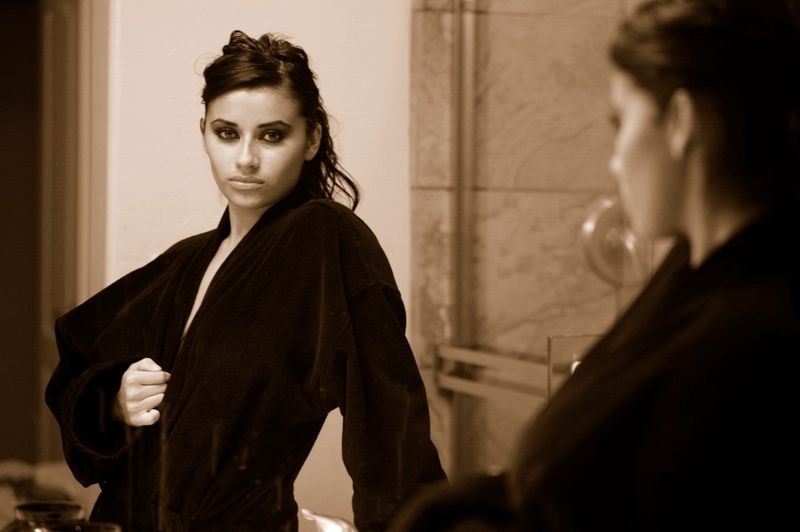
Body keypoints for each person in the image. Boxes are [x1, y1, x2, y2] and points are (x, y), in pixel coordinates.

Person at [389, 0, 800, 530]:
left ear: (679, 122)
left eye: (620, 122)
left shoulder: (752, 340)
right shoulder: (697, 272)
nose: (614, 160)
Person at [46, 30, 446, 532]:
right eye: (227, 133)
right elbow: (78, 354)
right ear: (205, 133)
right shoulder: (186, 262)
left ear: (312, 138)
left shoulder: (327, 241)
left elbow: (391, 432)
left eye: (273, 135)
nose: (246, 159)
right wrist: (115, 398)